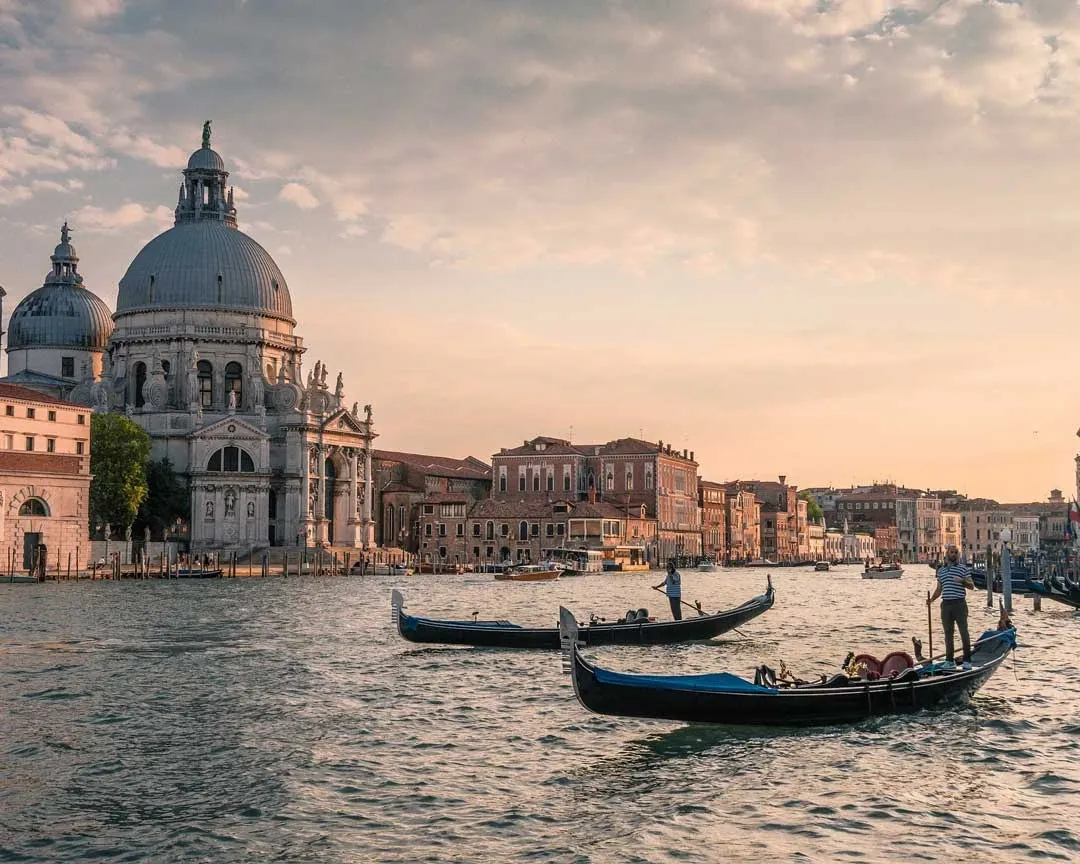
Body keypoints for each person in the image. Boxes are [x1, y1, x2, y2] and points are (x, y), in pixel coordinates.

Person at [928, 544, 975, 669]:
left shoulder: (963, 569)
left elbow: (971, 585)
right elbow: (939, 589)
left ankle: (967, 660)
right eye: (951, 552)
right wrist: (931, 600)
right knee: (948, 633)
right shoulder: (941, 571)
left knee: (963, 632)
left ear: (957, 554)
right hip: (946, 605)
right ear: (947, 554)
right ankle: (949, 661)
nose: (953, 554)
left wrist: (962, 581)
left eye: (955, 552)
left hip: (959, 603)